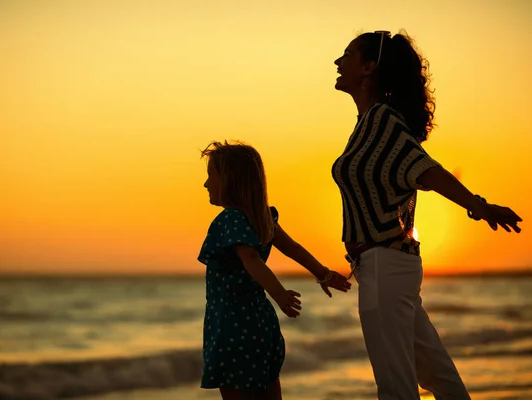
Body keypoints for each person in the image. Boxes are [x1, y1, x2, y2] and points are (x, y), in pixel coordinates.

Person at [331, 30, 523, 400]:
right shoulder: (368, 124)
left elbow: (427, 171)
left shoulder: (383, 122)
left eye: (348, 54)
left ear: (369, 68)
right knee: (438, 377)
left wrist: (478, 206)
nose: (339, 62)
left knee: (396, 386)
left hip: (384, 265)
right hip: (387, 265)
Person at [198, 140, 351, 400]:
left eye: (211, 175)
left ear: (230, 180)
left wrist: (279, 294)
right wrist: (322, 273)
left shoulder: (230, 219)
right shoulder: (262, 217)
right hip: (261, 324)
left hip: (233, 327)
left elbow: (250, 258)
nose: (206, 184)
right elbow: (292, 248)